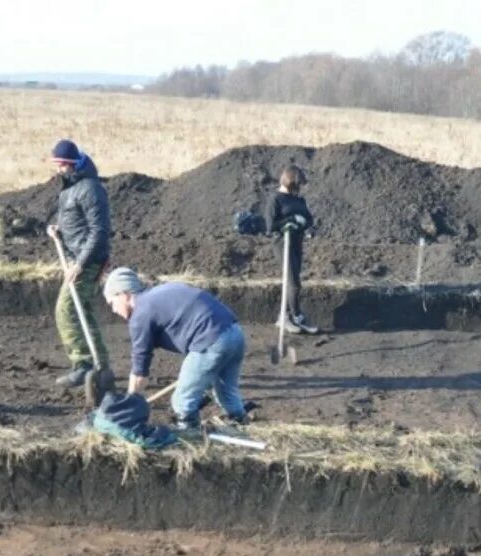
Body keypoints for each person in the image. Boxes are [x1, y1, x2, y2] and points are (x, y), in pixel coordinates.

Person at [102, 267, 246, 432]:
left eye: (112, 303)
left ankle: (189, 436)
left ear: (124, 294)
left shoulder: (140, 314)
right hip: (235, 333)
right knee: (226, 391)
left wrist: (127, 405)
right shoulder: (158, 294)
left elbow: (140, 370)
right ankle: (241, 425)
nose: (113, 310)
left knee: (182, 401)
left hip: (210, 340)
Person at [45, 138, 110, 390]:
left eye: (61, 165)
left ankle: (83, 365)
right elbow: (77, 221)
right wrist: (58, 229)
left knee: (66, 309)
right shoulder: (71, 187)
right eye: (56, 164)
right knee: (82, 310)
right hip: (76, 256)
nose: (58, 169)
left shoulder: (91, 189)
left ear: (72, 164)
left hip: (88, 259)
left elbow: (99, 231)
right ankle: (100, 364)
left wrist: (81, 263)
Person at [266, 165, 318, 334]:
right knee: (293, 282)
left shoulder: (299, 200)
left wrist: (304, 224)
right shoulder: (276, 199)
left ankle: (286, 315)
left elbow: (309, 219)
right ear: (290, 182)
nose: (300, 189)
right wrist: (287, 222)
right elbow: (270, 226)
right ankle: (295, 316)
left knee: (294, 280)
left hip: (297, 242)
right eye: (298, 185)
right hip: (283, 243)